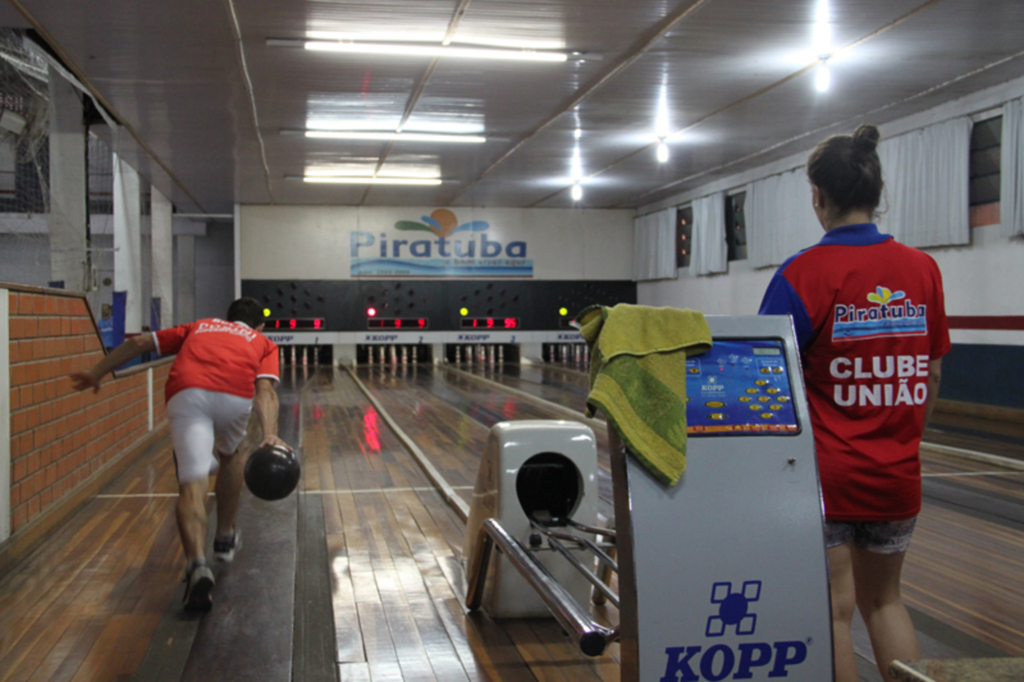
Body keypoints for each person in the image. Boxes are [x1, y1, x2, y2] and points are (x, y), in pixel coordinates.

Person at [758, 124, 949, 682]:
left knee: (834, 610)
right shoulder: (923, 270)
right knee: (886, 602)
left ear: (818, 196)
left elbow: (769, 379)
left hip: (828, 477)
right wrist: (906, 438)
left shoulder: (802, 273)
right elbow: (932, 371)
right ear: (876, 191)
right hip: (898, 474)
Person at [71, 297, 289, 611]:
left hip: (187, 392)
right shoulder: (262, 341)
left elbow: (141, 343)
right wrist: (270, 433)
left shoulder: (199, 326)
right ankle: (225, 536)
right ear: (260, 325)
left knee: (192, 482)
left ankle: (197, 563)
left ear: (227, 319)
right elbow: (265, 391)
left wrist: (96, 372)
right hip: (234, 396)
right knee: (233, 454)